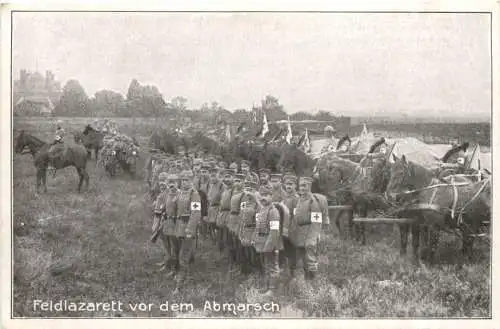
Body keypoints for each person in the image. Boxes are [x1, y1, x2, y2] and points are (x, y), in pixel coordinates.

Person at [287, 176, 329, 281]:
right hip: (299, 233)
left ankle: (313, 281)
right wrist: (292, 233)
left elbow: (316, 222)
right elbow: (295, 218)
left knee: (310, 257)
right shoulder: (299, 200)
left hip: (309, 232)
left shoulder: (313, 201)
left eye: (304, 185)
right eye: (300, 185)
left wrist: (312, 238)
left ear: (309, 186)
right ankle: (307, 278)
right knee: (303, 257)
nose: (302, 188)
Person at [173, 170, 202, 294]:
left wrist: (190, 229)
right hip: (179, 227)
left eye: (188, 180)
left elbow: (196, 214)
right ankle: (186, 275)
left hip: (188, 228)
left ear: (192, 180)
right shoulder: (180, 193)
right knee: (181, 253)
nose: (185, 182)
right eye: (183, 180)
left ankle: (180, 285)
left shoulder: (194, 194)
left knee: (183, 257)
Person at [252, 185, 282, 296]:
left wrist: (268, 246)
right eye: (262, 195)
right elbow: (258, 227)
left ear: (272, 196)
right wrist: (255, 239)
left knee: (272, 266)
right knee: (265, 265)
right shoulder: (261, 210)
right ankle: (266, 286)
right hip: (261, 241)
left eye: (266, 195)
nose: (263, 198)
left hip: (270, 243)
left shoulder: (273, 211)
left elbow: (274, 232)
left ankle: (272, 289)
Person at [152, 172, 180, 277]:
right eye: (170, 182)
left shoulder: (180, 194)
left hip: (177, 223)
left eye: (173, 182)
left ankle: (176, 269)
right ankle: (170, 265)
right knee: (168, 244)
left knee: (175, 247)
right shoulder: (167, 194)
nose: (171, 184)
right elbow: (163, 207)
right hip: (167, 221)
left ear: (178, 183)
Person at [238, 178, 260, 274]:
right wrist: (240, 231)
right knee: (244, 252)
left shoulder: (258, 205)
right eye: (246, 189)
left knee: (253, 252)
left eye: (251, 190)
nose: (248, 193)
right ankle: (246, 271)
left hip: (253, 229)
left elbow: (259, 222)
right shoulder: (244, 203)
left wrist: (255, 235)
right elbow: (241, 217)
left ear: (255, 192)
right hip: (244, 230)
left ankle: (256, 272)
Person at [227, 173, 245, 274]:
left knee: (239, 244)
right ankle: (233, 263)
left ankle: (241, 265)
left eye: (239, 181)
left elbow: (243, 211)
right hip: (231, 219)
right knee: (232, 242)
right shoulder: (233, 192)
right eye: (236, 181)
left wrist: (240, 223)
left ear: (243, 182)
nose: (237, 183)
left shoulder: (244, 195)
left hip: (238, 219)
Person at [216, 170, 234, 252]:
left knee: (228, 238)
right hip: (222, 214)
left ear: (233, 178)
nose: (226, 179)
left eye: (228, 177)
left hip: (229, 214)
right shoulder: (225, 189)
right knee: (221, 236)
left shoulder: (234, 190)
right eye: (225, 177)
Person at [207, 167, 223, 245]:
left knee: (218, 228)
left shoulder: (221, 185)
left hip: (218, 209)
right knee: (212, 226)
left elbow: (223, 199)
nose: (213, 178)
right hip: (211, 208)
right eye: (211, 176)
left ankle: (220, 243)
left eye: (214, 175)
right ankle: (215, 242)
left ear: (218, 175)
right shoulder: (210, 185)